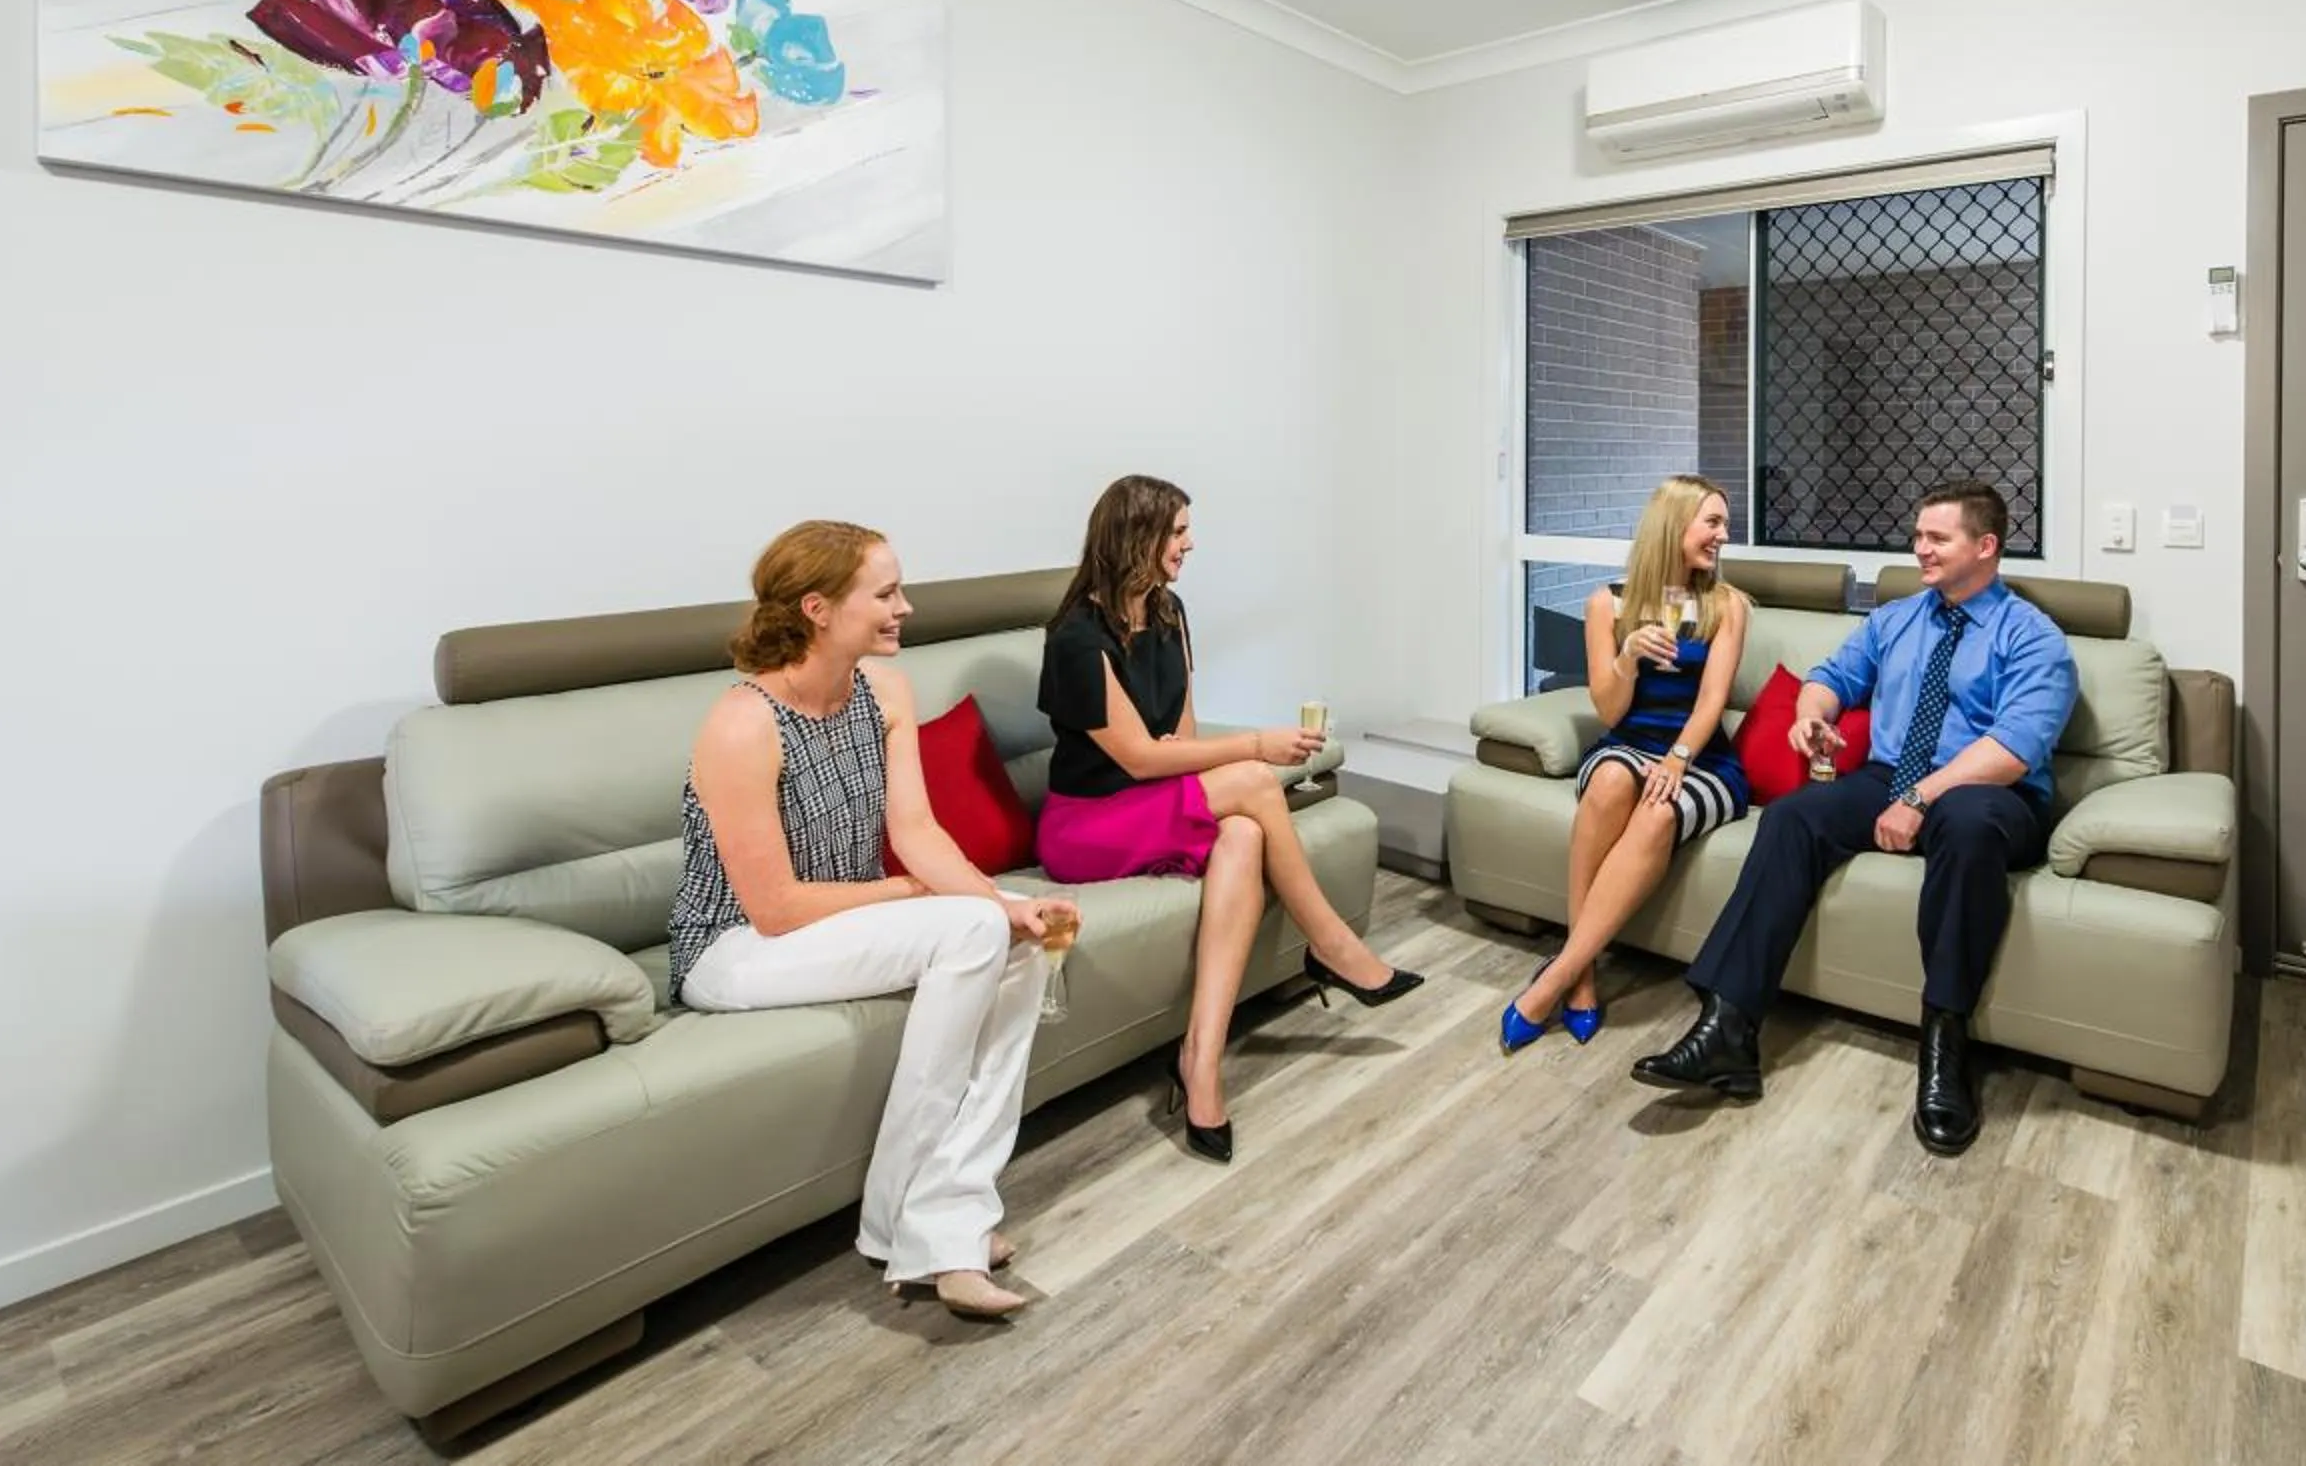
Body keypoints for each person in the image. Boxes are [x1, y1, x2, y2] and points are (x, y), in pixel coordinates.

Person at [669, 520, 1079, 1322]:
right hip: (735, 947)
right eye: (886, 593)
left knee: (1020, 941)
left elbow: (917, 833)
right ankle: (924, 1233)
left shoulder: (885, 693)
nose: (906, 607)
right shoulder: (742, 724)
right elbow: (776, 908)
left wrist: (1006, 904)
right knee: (973, 928)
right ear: (818, 608)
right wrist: (926, 900)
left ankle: (941, 1214)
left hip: (838, 920)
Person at [1633, 479, 2076, 1155]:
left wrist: (1921, 798)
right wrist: (1812, 716)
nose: (1920, 549)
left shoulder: (2033, 637)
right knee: (1792, 819)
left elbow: (2013, 749)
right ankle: (1728, 1029)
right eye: (1918, 535)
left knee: (1968, 825)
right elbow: (1831, 678)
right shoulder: (1895, 619)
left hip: (1990, 793)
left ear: (1985, 546)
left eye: (1938, 538)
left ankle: (1945, 1046)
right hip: (1889, 777)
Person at [1036, 474, 1421, 1164]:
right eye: (1178, 532)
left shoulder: (1170, 612)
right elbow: (1139, 757)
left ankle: (1200, 1060)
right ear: (1136, 536)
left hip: (1152, 802)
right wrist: (1254, 745)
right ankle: (1331, 945)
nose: (1190, 544)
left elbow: (1180, 736)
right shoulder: (1076, 639)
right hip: (1088, 823)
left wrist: (1206, 760)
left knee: (1243, 831)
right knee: (1253, 779)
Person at [1501, 474, 1752, 1053]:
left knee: (1659, 808)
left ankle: (1556, 978)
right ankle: (1584, 976)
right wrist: (1628, 658)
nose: (1723, 535)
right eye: (1713, 522)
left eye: (1725, 524)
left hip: (1702, 759)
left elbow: (1712, 701)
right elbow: (1611, 711)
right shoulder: (1605, 604)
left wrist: (1678, 760)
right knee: (1612, 779)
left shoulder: (1728, 606)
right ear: (1674, 524)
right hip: (1628, 744)